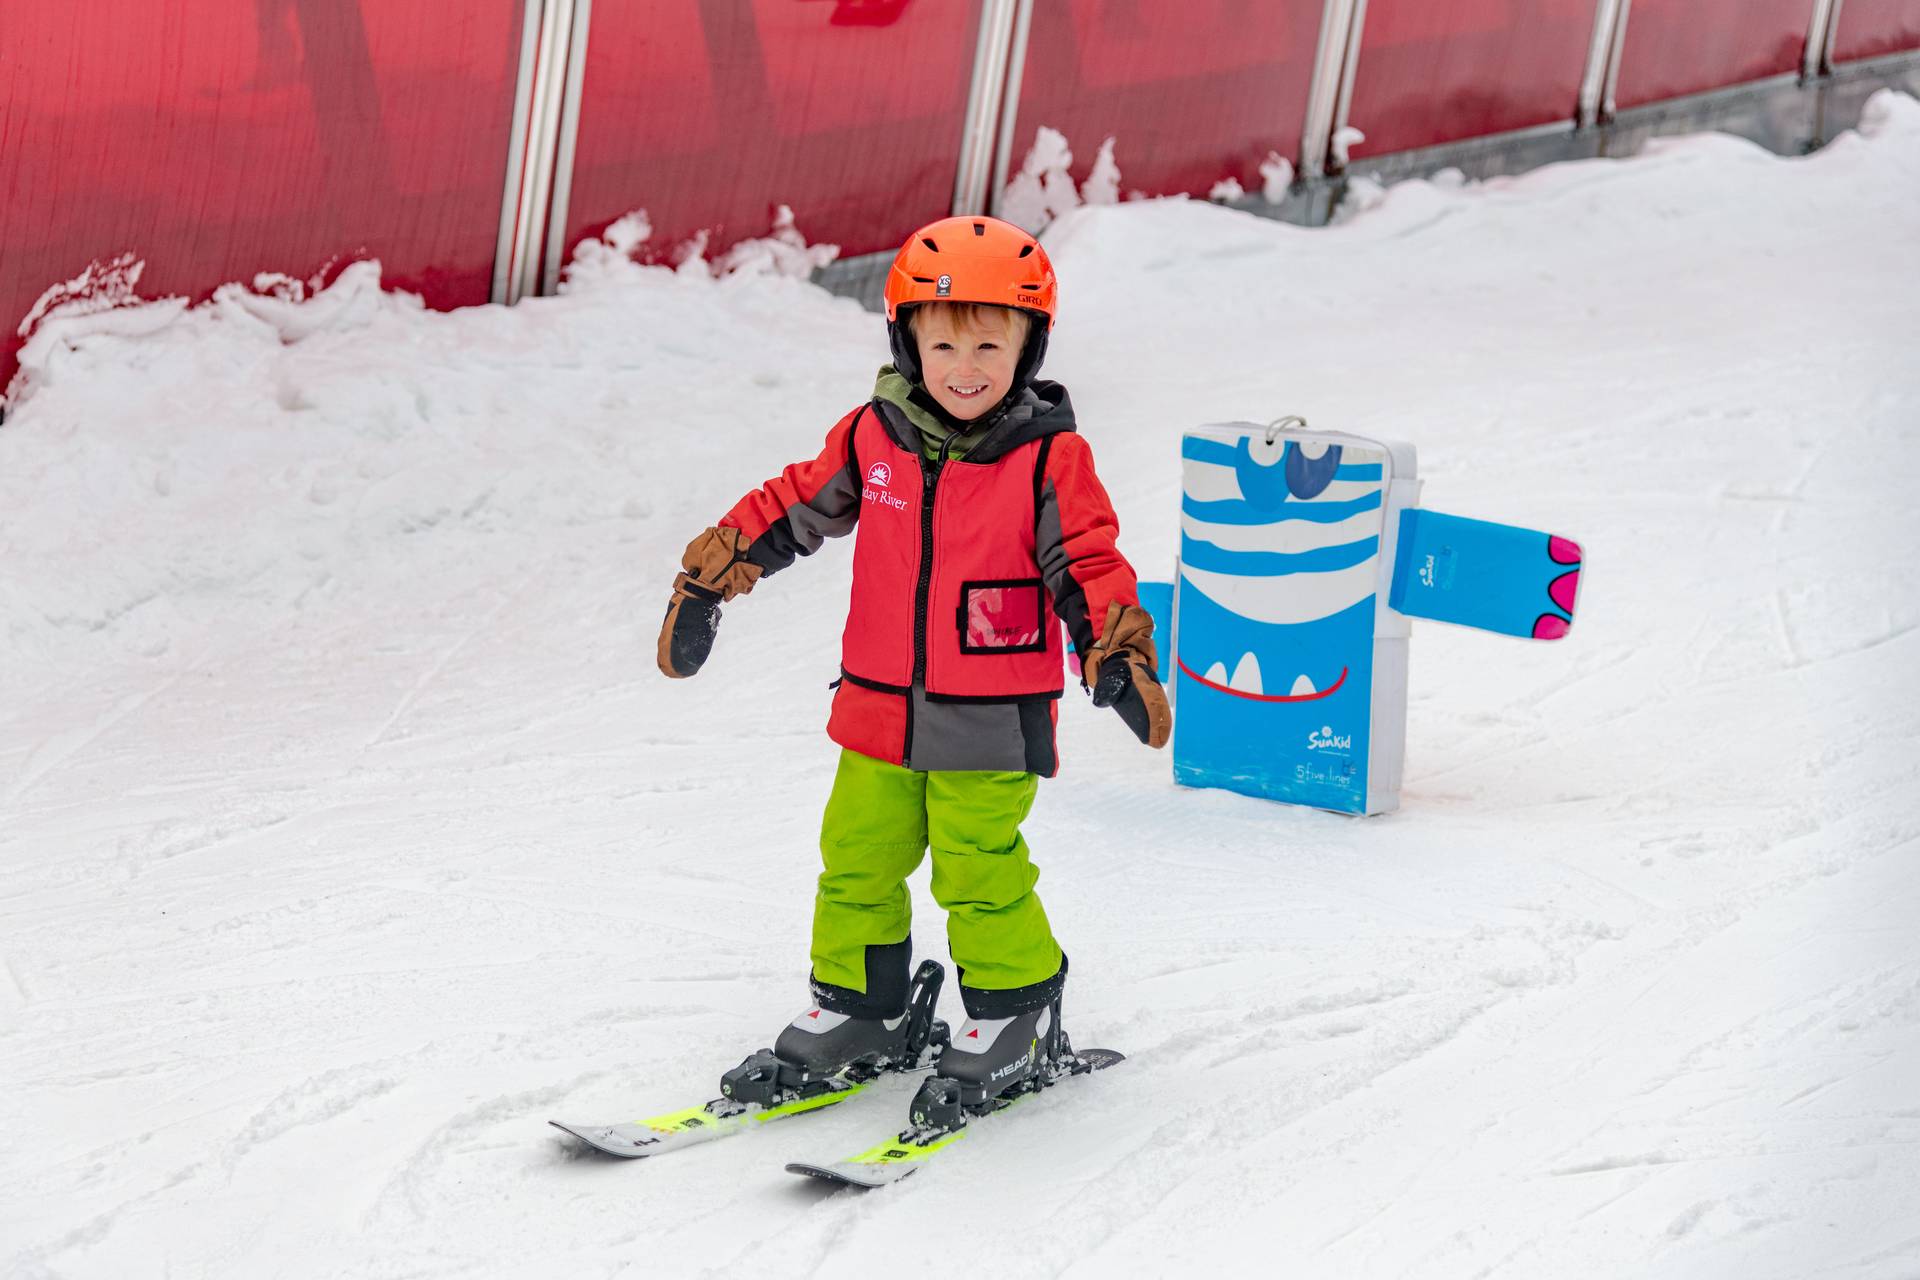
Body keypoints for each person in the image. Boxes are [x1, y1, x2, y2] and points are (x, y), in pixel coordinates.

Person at [656, 214, 1169, 1119]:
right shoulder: (872, 436)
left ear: (1028, 346)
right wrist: (713, 572)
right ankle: (865, 1010)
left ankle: (1016, 1013)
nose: (964, 366)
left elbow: (1086, 560)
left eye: (988, 343)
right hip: (876, 709)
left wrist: (1114, 647)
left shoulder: (1051, 457)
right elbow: (793, 506)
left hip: (991, 709)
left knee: (977, 865)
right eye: (942, 343)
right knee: (855, 858)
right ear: (907, 342)